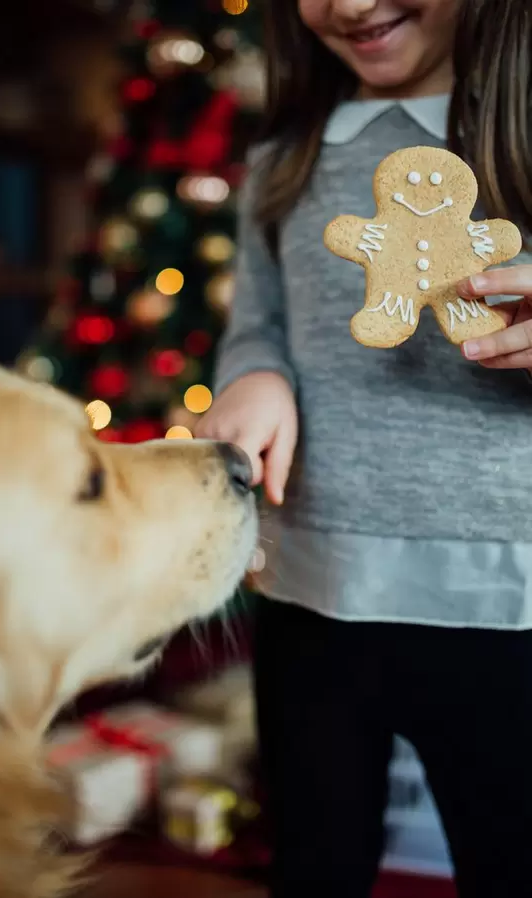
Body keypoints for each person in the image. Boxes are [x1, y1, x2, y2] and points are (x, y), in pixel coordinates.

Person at [195, 1, 532, 896]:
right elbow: (256, 323)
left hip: (501, 602)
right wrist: (256, 373)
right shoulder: (283, 159)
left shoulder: (521, 137)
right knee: (312, 859)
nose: (347, 3)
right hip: (315, 587)